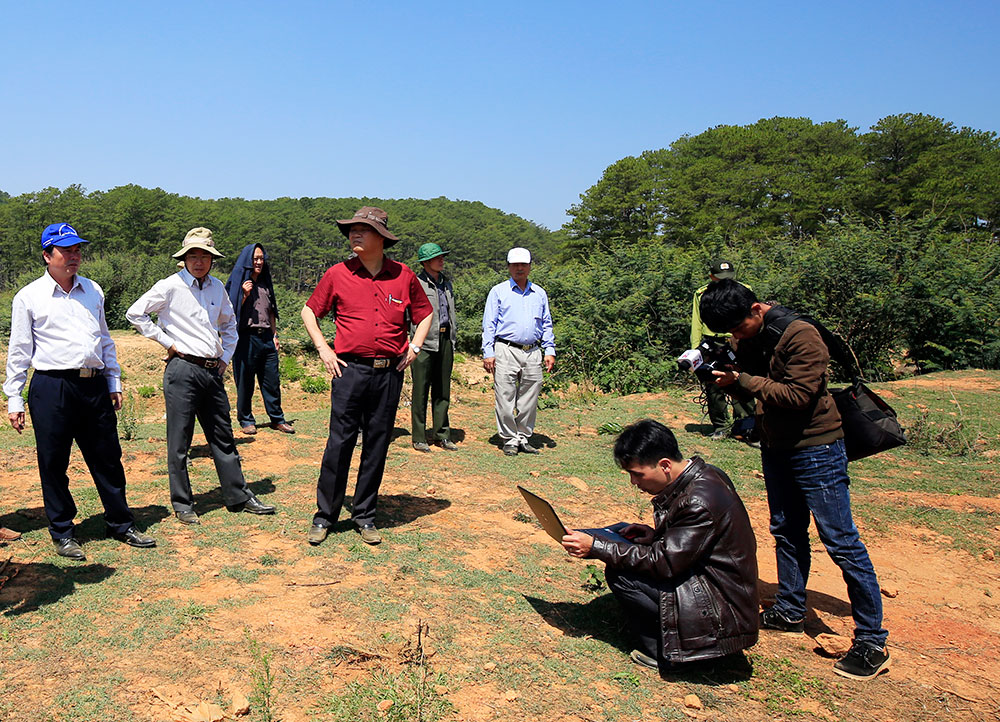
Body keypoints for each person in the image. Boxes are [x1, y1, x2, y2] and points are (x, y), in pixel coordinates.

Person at [699, 279, 890, 680]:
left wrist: (743, 382)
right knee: (786, 529)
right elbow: (756, 388)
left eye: (739, 329)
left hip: (816, 447)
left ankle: (871, 640)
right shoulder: (754, 335)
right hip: (777, 444)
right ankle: (789, 608)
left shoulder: (802, 335)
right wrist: (727, 377)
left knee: (840, 539)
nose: (736, 337)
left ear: (756, 310)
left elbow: (798, 395)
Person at [3, 223, 155, 560]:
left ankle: (119, 522)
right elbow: (19, 351)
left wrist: (112, 380)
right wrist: (14, 398)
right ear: (47, 255)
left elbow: (104, 339)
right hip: (51, 386)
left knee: (107, 456)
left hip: (93, 384)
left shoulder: (93, 290)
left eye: (77, 250)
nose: (74, 256)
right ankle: (63, 531)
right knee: (54, 461)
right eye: (66, 250)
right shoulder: (28, 297)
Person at [562, 419, 758, 672]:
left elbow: (663, 564)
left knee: (623, 574)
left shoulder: (698, 500)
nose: (634, 482)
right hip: (720, 594)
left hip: (722, 616)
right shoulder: (707, 475)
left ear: (665, 465)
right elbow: (696, 544)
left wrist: (597, 547)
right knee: (626, 558)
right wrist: (654, 536)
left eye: (637, 474)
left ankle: (671, 656)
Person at [301, 206, 433, 546]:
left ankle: (364, 514)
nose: (354, 235)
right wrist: (323, 349)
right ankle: (325, 515)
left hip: (389, 373)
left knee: (377, 443)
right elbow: (309, 311)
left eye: (363, 230)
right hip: (348, 370)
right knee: (339, 442)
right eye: (352, 230)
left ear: (381, 238)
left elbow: (426, 313)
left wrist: (414, 347)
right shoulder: (337, 274)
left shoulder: (403, 276)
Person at [126, 227, 276, 525]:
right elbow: (135, 313)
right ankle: (183, 503)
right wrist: (168, 342)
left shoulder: (217, 287)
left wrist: (224, 359)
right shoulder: (170, 286)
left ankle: (238, 495)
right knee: (179, 440)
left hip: (212, 370)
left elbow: (229, 324)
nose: (199, 261)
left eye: (204, 255)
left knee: (223, 436)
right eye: (192, 255)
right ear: (183, 259)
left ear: (211, 259)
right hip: (182, 368)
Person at [481, 248, 555, 456]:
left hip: (533, 350)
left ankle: (523, 436)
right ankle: (509, 439)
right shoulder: (498, 291)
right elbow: (489, 324)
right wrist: (488, 352)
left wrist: (549, 349)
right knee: (504, 397)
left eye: (523, 264)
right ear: (508, 267)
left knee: (529, 398)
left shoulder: (539, 293)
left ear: (530, 266)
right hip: (505, 348)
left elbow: (547, 323)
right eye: (515, 265)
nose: (519, 268)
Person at [225, 243, 294, 436]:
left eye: (261, 258)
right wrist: (244, 295)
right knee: (245, 381)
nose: (259, 262)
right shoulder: (237, 284)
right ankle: (246, 420)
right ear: (247, 260)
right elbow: (229, 311)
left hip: (266, 338)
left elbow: (271, 311)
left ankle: (277, 419)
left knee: (271, 381)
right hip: (245, 338)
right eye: (255, 258)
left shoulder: (265, 284)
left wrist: (275, 335)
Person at [690, 260, 755, 440]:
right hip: (713, 342)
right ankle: (721, 426)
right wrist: (696, 350)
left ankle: (747, 424)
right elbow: (697, 322)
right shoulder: (702, 293)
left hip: (738, 339)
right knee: (713, 385)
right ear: (711, 277)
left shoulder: (744, 290)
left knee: (742, 380)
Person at [410, 242, 458, 452]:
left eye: (442, 257)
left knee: (442, 390)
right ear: (426, 261)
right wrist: (410, 343)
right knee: (420, 390)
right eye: (437, 257)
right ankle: (419, 437)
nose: (442, 260)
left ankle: (442, 435)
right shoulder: (416, 283)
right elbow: (407, 315)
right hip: (423, 342)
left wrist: (453, 339)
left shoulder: (446, 283)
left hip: (445, 340)